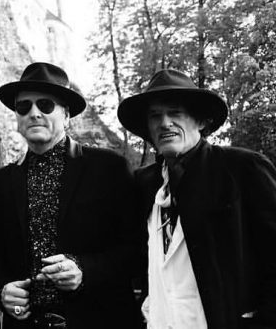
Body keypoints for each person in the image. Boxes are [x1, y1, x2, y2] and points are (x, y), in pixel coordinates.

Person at [118, 69, 276, 329]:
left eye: (175, 112)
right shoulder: (145, 183)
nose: (164, 123)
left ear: (201, 121)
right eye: (155, 116)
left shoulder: (242, 169)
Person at [0, 62, 141, 328]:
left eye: (45, 105)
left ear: (67, 115)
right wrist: (2, 292)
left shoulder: (109, 168)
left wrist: (85, 270)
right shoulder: (1, 182)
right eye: (23, 107)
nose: (34, 113)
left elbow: (137, 248)